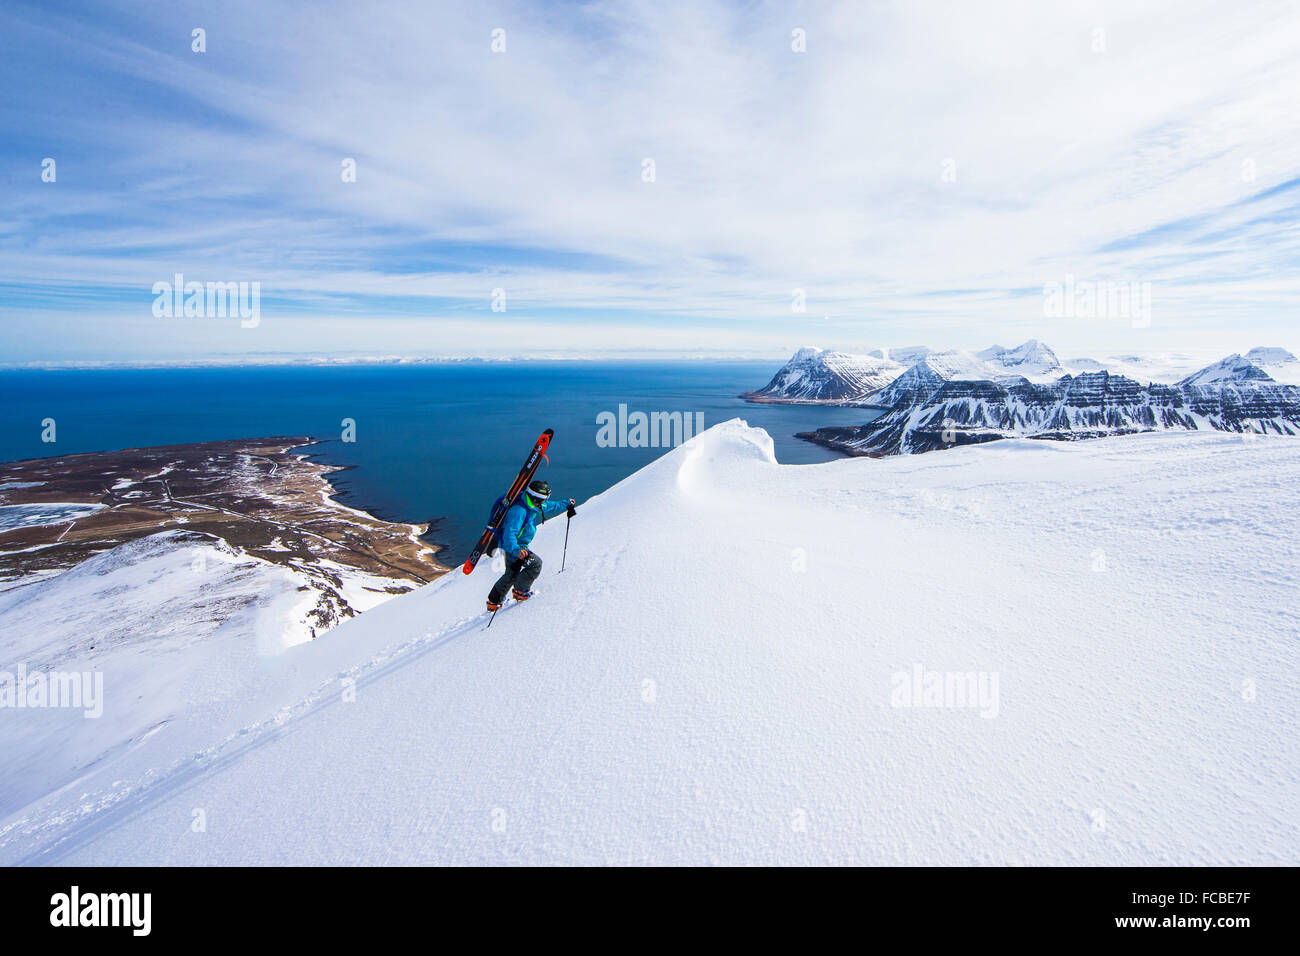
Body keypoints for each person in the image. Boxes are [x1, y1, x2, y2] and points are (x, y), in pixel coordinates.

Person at [486, 479, 574, 612]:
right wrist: (516, 550)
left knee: (511, 573)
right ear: (537, 498)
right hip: (513, 547)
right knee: (535, 565)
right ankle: (520, 593)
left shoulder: (532, 505)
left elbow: (550, 506)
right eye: (544, 498)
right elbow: (509, 535)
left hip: (518, 546)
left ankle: (494, 602)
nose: (545, 501)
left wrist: (566, 503)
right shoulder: (519, 511)